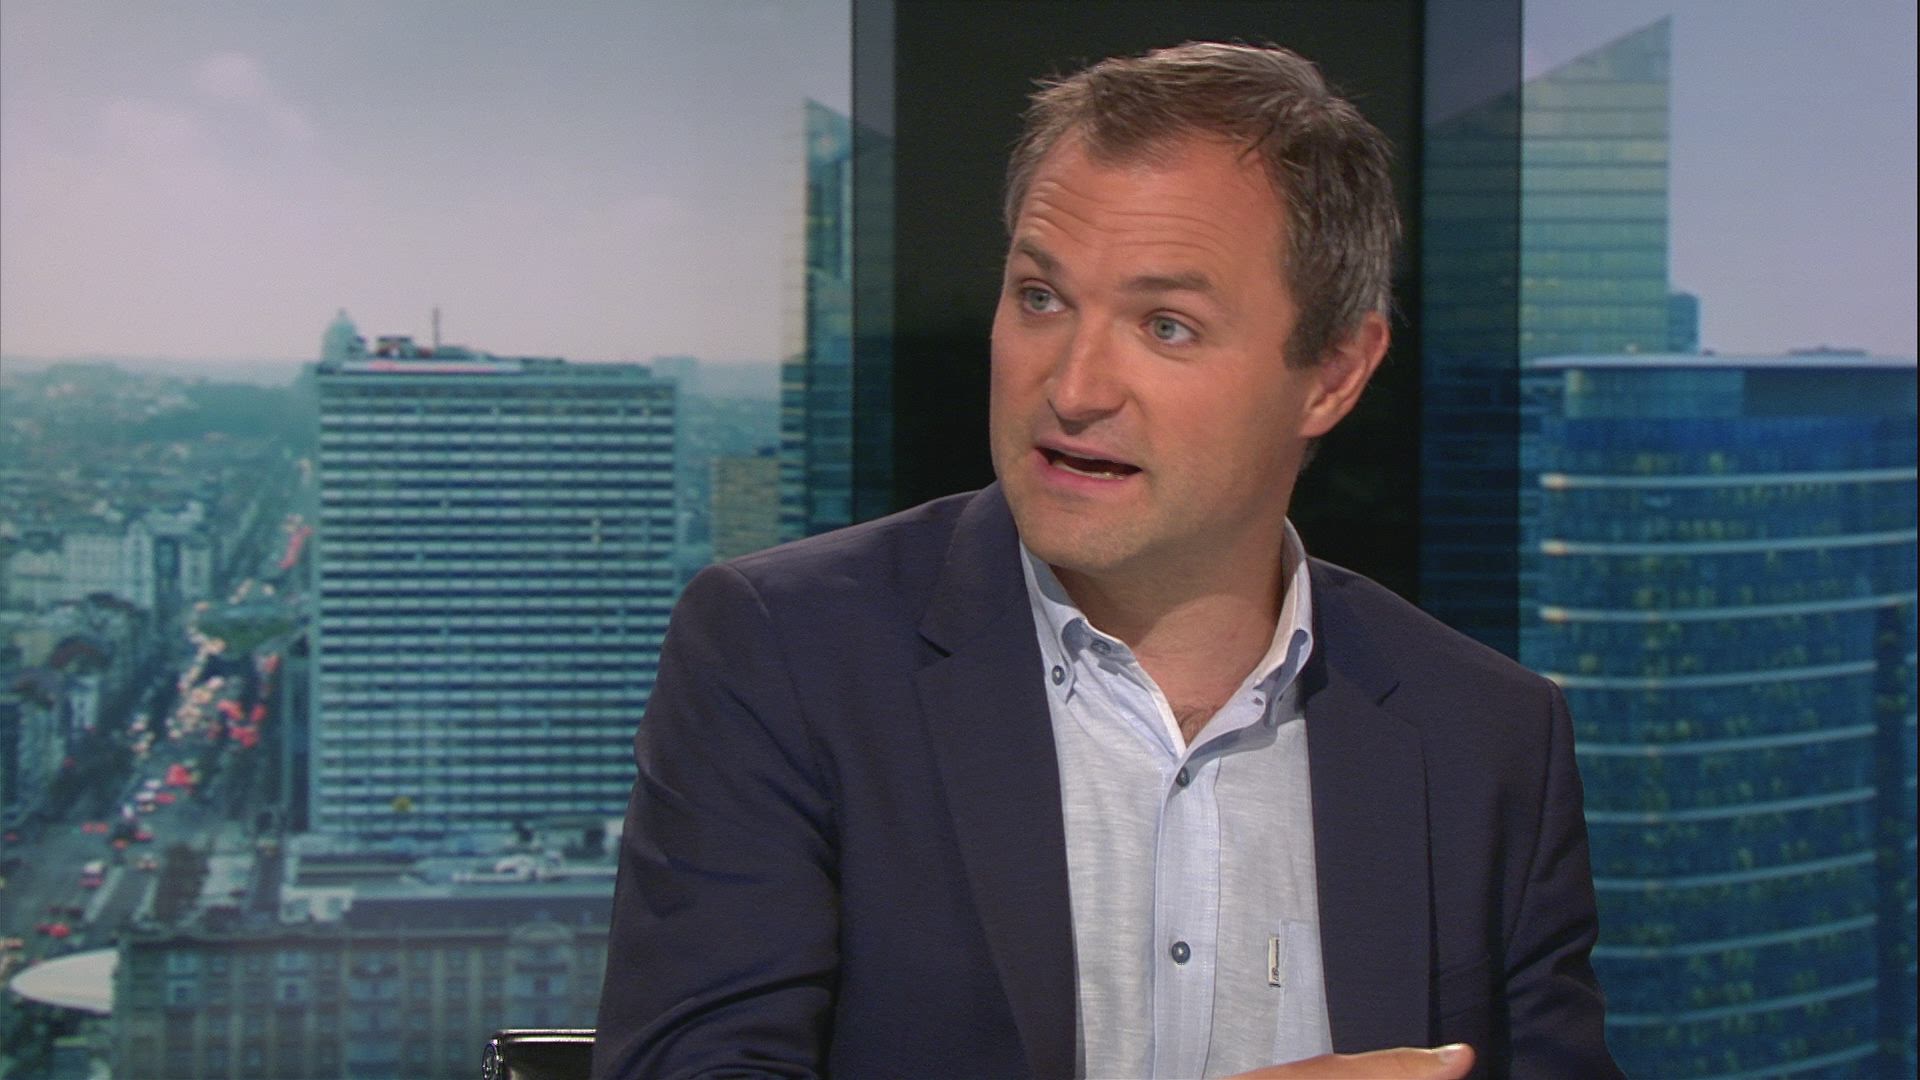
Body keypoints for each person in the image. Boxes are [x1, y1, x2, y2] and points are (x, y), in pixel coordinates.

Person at [595, 42, 1620, 1080]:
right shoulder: (786, 656)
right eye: (1040, 297)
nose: (1074, 387)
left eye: (1166, 326)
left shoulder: (1487, 738)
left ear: (1333, 375)